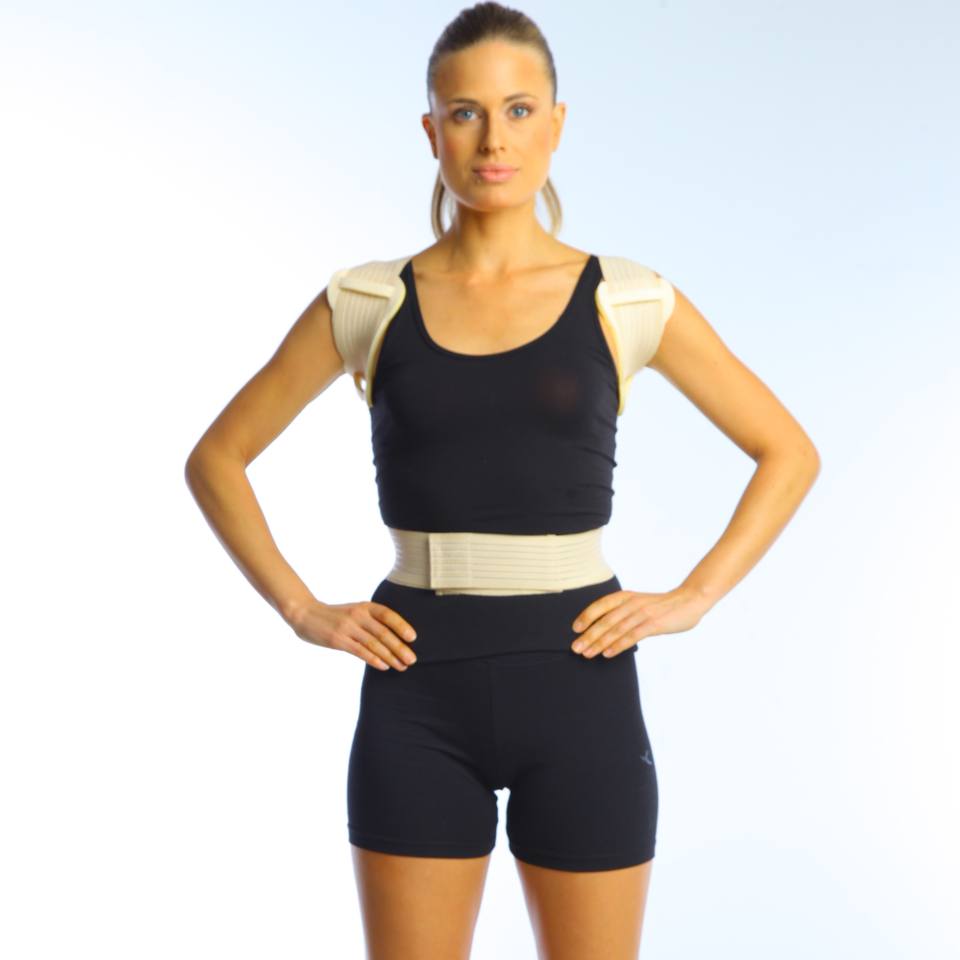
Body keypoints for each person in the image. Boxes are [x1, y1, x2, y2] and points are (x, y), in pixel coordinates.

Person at [185, 3, 820, 957]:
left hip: (581, 687)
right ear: (431, 129)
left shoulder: (627, 298)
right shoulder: (367, 301)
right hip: (415, 691)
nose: (494, 140)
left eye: (519, 110)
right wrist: (301, 609)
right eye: (467, 112)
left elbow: (787, 450)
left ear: (557, 124)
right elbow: (217, 458)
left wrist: (694, 598)